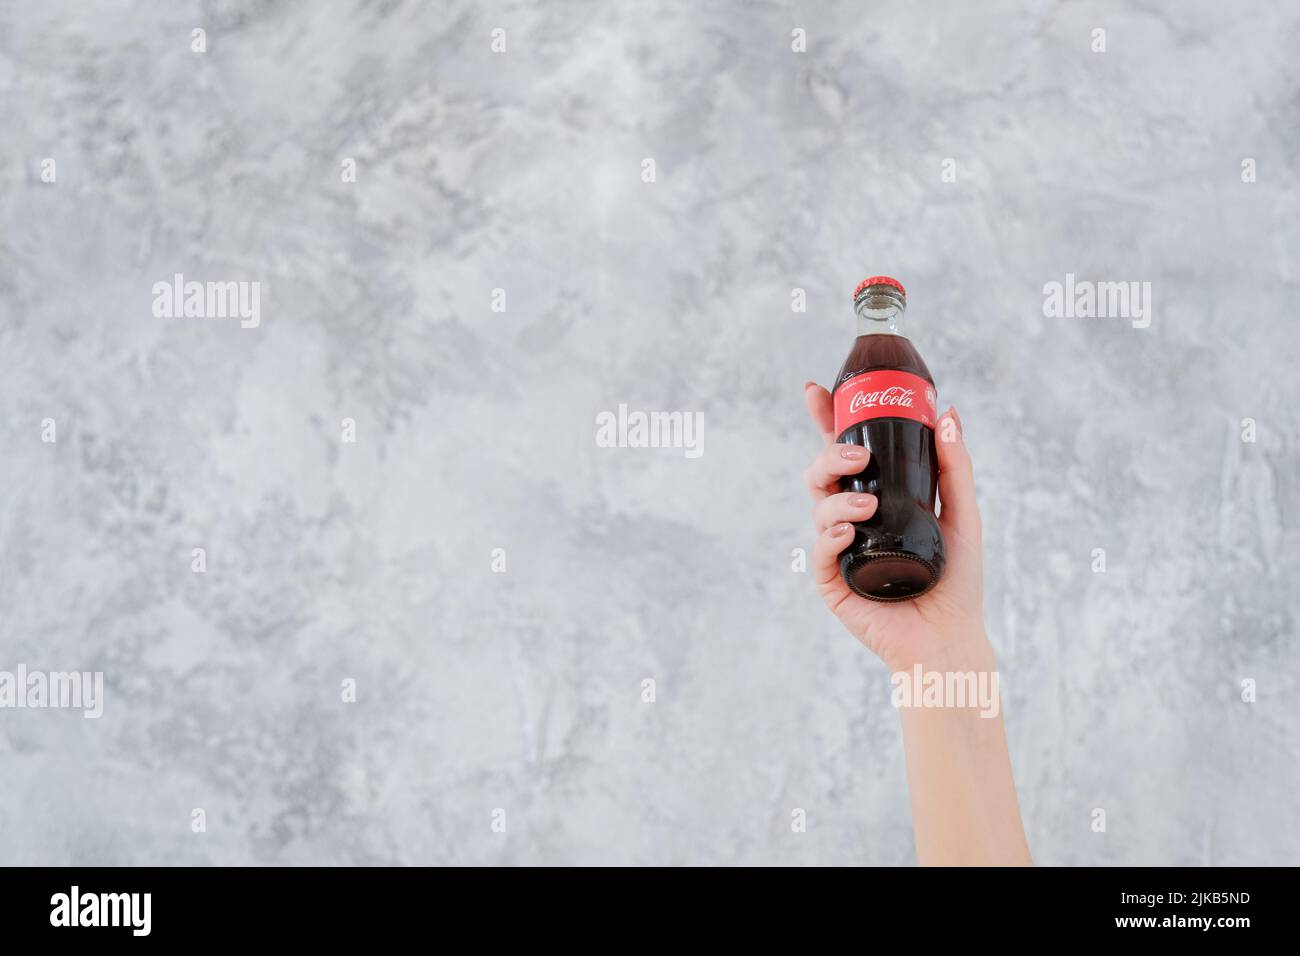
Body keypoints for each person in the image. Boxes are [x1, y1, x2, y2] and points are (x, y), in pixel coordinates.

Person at [803, 382, 1033, 866]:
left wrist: (946, 645)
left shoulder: (890, 370)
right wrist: (932, 654)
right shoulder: (876, 370)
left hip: (926, 556)